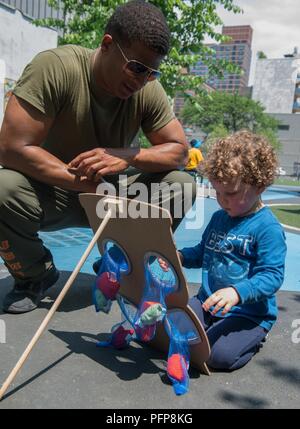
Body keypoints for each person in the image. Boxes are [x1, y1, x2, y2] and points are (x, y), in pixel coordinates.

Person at [0, 1, 195, 314]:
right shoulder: (55, 67)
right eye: (136, 67)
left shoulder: (146, 89)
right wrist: (86, 186)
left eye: (150, 72)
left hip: (112, 194)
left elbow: (180, 152)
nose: (141, 79)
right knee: (1, 186)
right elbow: (11, 148)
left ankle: (125, 266)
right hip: (54, 189)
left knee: (181, 185)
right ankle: (34, 275)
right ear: (107, 44)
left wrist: (127, 155)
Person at [164, 130, 287, 371]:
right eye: (216, 192)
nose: (222, 200)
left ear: (260, 186)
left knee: (215, 357)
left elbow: (272, 276)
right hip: (208, 303)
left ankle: (254, 337)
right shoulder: (220, 217)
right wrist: (179, 256)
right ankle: (208, 329)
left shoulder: (267, 228)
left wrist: (236, 292)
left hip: (247, 313)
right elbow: (202, 252)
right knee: (170, 328)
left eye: (230, 193)